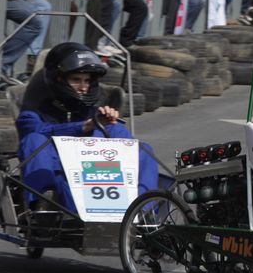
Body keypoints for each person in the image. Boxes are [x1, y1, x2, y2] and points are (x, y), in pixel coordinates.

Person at [16, 42, 159, 211]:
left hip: (95, 171)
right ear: (59, 79)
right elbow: (36, 131)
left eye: (87, 81)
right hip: (60, 173)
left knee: (141, 147)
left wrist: (107, 121)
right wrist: (84, 126)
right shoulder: (34, 109)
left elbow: (119, 139)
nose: (83, 87)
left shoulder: (94, 110)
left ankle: (142, 209)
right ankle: (43, 205)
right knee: (33, 139)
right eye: (76, 80)